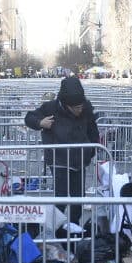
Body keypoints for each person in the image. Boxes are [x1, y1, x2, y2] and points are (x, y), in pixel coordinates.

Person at [24, 76, 99, 234]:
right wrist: (40, 123)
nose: (80, 109)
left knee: (78, 198)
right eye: (76, 107)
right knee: (61, 197)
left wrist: (91, 151)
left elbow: (93, 131)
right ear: (66, 105)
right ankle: (56, 229)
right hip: (59, 160)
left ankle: (73, 229)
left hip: (80, 160)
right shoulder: (51, 107)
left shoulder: (86, 108)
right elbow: (29, 117)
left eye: (81, 106)